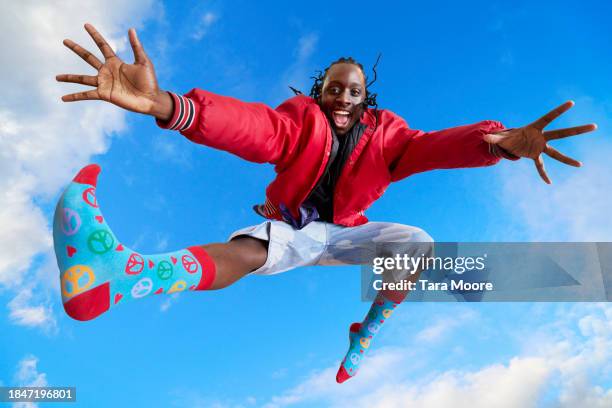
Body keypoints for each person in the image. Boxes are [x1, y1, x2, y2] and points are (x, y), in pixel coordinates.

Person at [53, 24, 596, 383]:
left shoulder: (390, 140)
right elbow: (252, 127)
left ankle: (365, 331)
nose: (342, 98)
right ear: (320, 93)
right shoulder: (298, 123)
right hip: (296, 229)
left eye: (353, 91)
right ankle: (117, 274)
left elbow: (433, 147)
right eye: (333, 89)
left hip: (349, 232)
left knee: (417, 243)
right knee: (250, 255)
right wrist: (165, 104)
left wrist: (495, 143)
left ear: (366, 99)